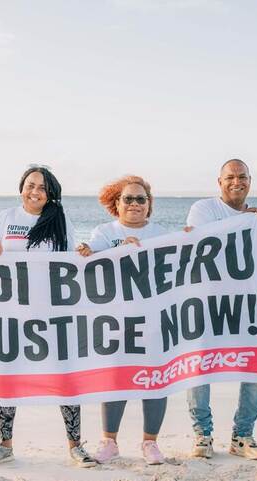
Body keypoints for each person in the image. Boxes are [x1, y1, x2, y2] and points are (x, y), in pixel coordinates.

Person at [0, 166, 97, 468]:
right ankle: (5, 445)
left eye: (42, 187)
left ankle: (76, 446)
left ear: (50, 193)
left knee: (65, 376)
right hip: (13, 310)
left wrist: (85, 253)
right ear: (21, 187)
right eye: (30, 185)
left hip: (53, 312)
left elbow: (71, 260)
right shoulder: (6, 217)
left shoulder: (59, 219)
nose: (35, 191)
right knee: (7, 376)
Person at [184, 159, 257, 461]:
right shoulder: (204, 209)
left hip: (250, 307)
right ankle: (202, 435)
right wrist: (243, 222)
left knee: (256, 366)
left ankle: (242, 436)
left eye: (242, 177)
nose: (236, 182)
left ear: (250, 181)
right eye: (230, 177)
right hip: (207, 303)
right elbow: (206, 243)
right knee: (199, 365)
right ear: (219, 182)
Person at [76, 175, 169, 465]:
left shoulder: (163, 234)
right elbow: (92, 266)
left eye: (141, 199)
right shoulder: (104, 232)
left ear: (148, 204)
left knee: (154, 379)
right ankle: (110, 442)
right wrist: (99, 252)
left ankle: (150, 443)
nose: (135, 204)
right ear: (117, 203)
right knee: (116, 378)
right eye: (128, 198)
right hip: (115, 320)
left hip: (153, 319)